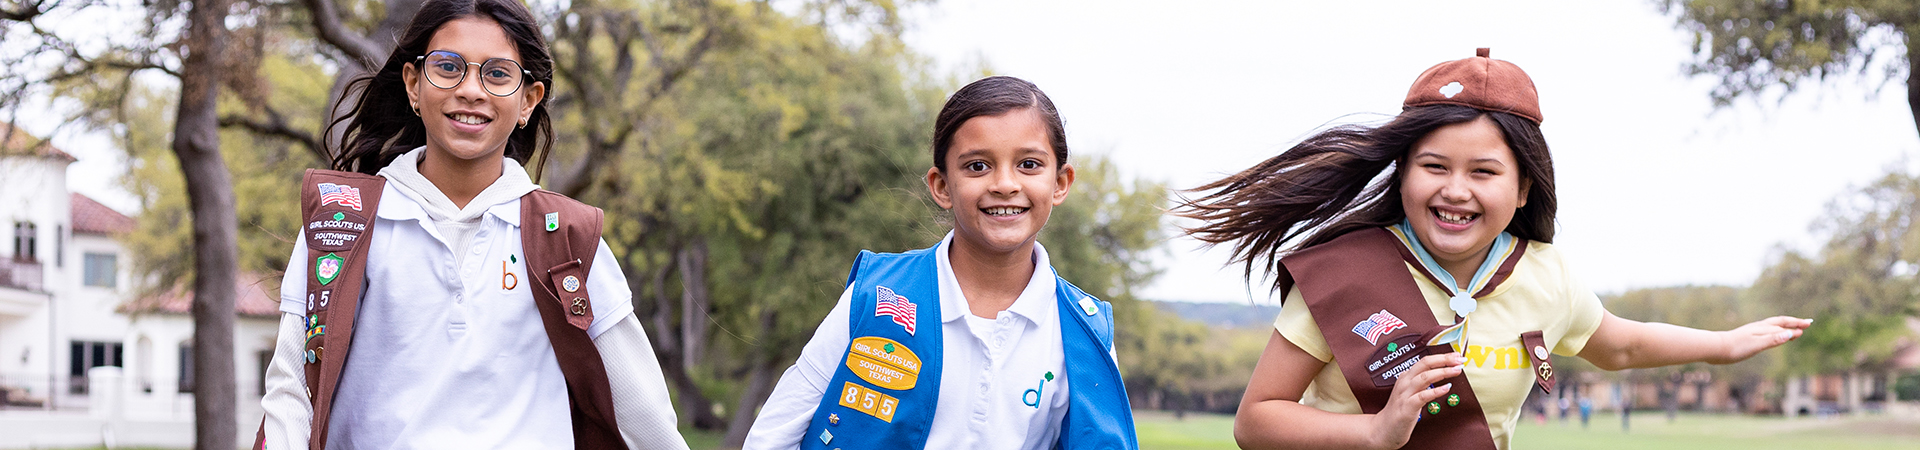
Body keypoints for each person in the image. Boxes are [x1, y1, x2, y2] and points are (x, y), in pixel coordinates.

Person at [1176, 48, 1812, 450]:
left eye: (1483, 171)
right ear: (1403, 174)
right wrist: (1372, 431)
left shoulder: (1545, 273)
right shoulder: (1346, 272)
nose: (1456, 191)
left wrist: (1726, 344)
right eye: (1433, 167)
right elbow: (1255, 421)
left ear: (1522, 185)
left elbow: (1620, 344)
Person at [254, 0, 688, 448]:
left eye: (497, 74)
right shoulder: (343, 221)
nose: (471, 90)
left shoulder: (568, 237)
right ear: (413, 85)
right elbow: (292, 393)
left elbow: (645, 416)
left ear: (528, 101)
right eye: (448, 67)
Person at [740, 76, 1138, 450]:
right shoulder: (878, 295)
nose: (1004, 184)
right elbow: (772, 437)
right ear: (942, 186)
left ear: (1061, 182)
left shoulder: (1084, 329)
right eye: (977, 166)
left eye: (1029, 165)